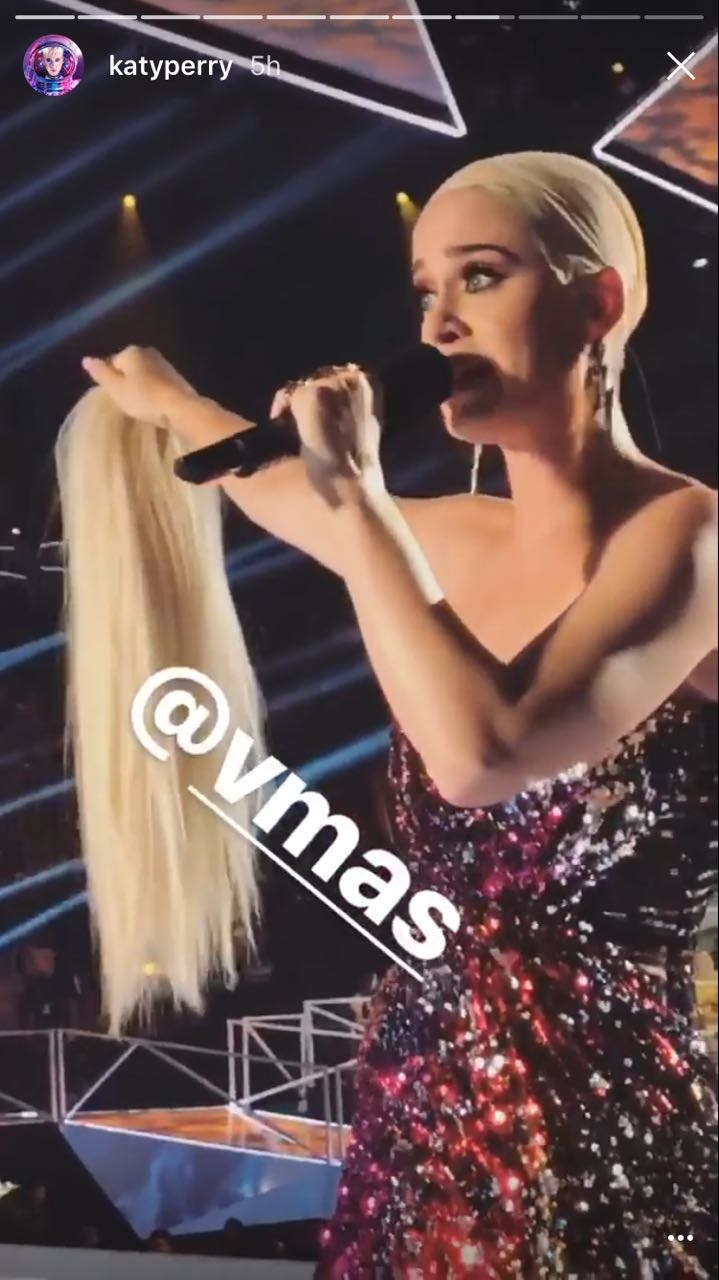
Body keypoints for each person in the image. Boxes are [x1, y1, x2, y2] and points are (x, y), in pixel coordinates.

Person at [78, 151, 717, 1275]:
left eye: (480, 276)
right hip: (426, 1118)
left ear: (598, 304)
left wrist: (358, 498)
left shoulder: (687, 538)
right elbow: (268, 485)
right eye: (425, 291)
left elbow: (484, 751)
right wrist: (169, 404)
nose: (437, 324)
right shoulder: (449, 540)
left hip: (611, 1136)